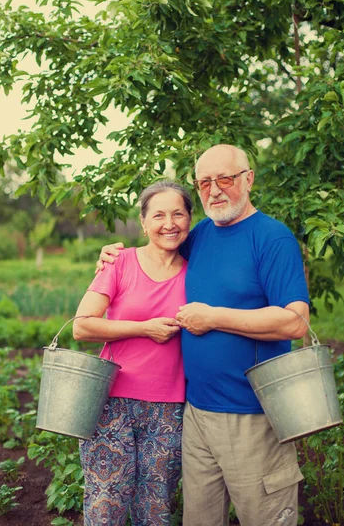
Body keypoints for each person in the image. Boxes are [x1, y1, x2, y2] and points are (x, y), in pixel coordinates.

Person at [97, 144, 310, 526]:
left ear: (248, 179)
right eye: (204, 182)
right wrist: (113, 255)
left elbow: (294, 322)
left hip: (252, 415)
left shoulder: (271, 238)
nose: (215, 190)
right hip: (196, 414)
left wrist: (214, 318)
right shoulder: (199, 236)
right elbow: (158, 249)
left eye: (225, 179)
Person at [73, 180, 192, 526]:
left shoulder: (196, 272)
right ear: (143, 222)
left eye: (178, 214)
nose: (168, 223)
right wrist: (145, 328)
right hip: (112, 401)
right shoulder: (120, 262)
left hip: (169, 406)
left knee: (155, 506)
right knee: (105, 502)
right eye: (158, 215)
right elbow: (83, 326)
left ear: (189, 220)